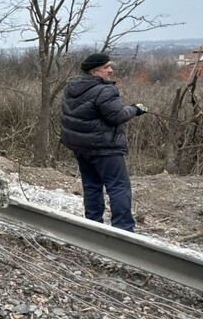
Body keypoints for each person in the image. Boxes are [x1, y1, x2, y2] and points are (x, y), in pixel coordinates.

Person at [60, 52, 148, 232]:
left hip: (81, 146)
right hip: (104, 147)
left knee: (91, 186)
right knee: (118, 187)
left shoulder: (72, 87)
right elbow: (117, 116)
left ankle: (93, 227)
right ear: (94, 72)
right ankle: (124, 230)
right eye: (106, 67)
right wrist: (135, 109)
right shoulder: (105, 90)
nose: (110, 70)